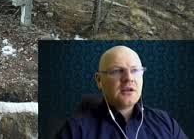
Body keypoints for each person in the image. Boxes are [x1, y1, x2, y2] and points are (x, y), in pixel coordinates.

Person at [55, 45, 188, 139]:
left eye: (135, 70)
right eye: (117, 71)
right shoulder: (75, 130)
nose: (129, 78)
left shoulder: (165, 122)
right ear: (99, 80)